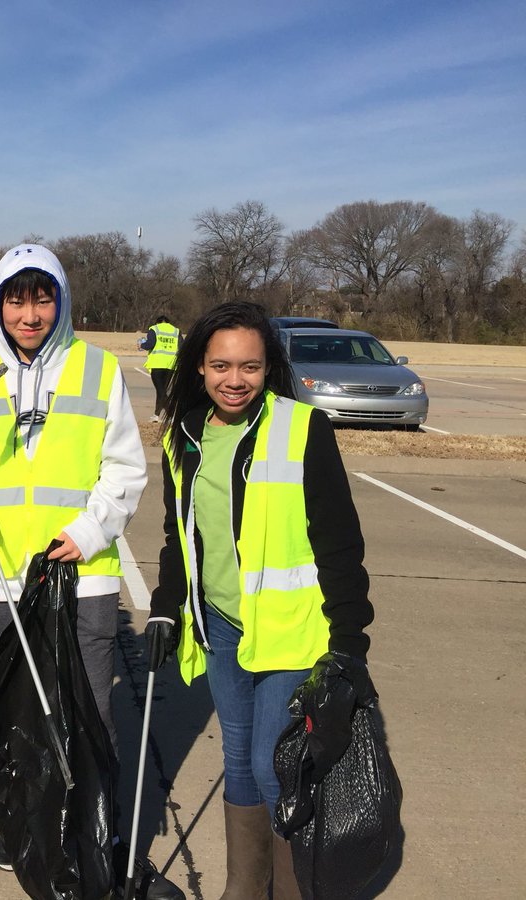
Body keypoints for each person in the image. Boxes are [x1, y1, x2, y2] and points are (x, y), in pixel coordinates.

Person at [0, 243, 183, 900]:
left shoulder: (98, 369)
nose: (30, 314)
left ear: (61, 301)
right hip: (2, 574)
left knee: (90, 708)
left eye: (42, 298)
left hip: (85, 573)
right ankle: (31, 823)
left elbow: (125, 468)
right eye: (15, 300)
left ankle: (94, 833)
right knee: (24, 707)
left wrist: (87, 531)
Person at [144, 301, 375, 899]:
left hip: (290, 631)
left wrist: (350, 643)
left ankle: (297, 890)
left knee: (278, 771)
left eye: (249, 366)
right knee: (240, 761)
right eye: (221, 365)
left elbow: (340, 542)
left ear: (269, 366)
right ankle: (244, 887)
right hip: (221, 626)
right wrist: (167, 606)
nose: (235, 379)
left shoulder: (302, 428)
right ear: (199, 366)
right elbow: (179, 536)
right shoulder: (184, 437)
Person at [140, 315, 181, 422]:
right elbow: (181, 347)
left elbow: (150, 344)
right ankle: (156, 415)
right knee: (161, 390)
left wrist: (141, 345)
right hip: (171, 365)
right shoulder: (176, 331)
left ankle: (171, 413)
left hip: (157, 364)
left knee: (161, 390)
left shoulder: (154, 329)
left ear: (157, 322)